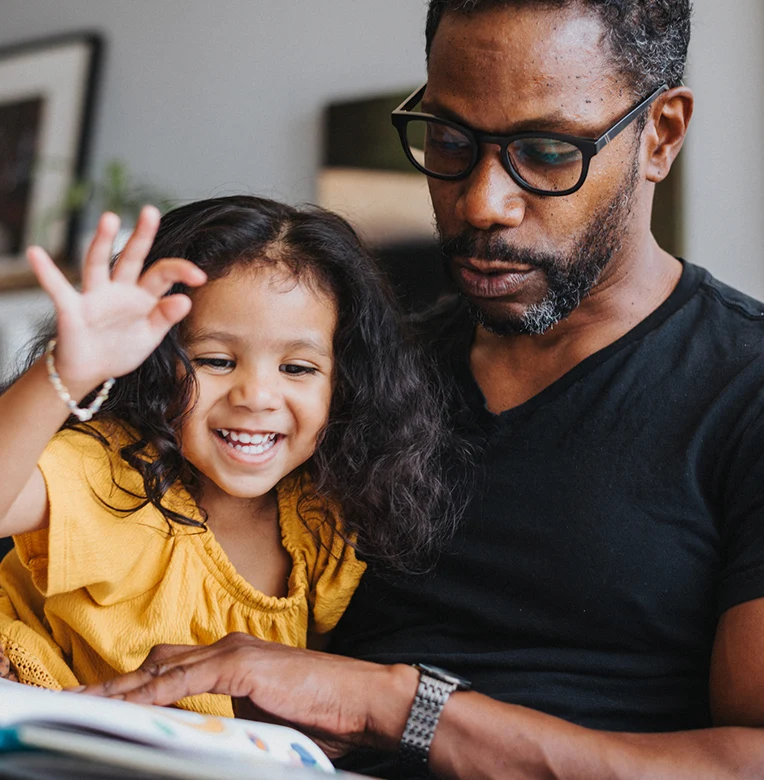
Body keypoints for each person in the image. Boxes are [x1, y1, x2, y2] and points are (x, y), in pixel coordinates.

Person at [83, 1, 764, 777]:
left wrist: (395, 706)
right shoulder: (347, 373)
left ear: (660, 135)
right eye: (451, 141)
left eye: (545, 150)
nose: (480, 203)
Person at [0, 195, 462, 718]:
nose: (257, 395)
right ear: (155, 365)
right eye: (217, 360)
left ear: (348, 384)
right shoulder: (116, 474)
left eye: (298, 369)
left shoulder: (324, 518)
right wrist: (70, 369)